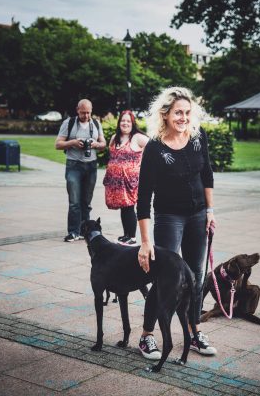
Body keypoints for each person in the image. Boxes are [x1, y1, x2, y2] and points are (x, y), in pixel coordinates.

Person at [136, 86, 217, 360]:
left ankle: (194, 332)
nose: (183, 118)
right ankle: (147, 336)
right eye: (178, 113)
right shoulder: (155, 148)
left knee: (195, 276)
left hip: (197, 216)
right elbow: (143, 198)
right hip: (169, 217)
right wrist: (146, 242)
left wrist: (210, 210)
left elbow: (207, 174)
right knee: (166, 278)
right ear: (166, 114)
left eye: (187, 112)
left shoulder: (197, 136)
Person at [55, 99, 106, 242]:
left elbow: (103, 144)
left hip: (91, 166)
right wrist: (73, 143)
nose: (86, 115)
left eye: (89, 112)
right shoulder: (69, 123)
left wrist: (96, 144)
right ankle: (73, 232)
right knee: (74, 202)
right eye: (83, 112)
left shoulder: (96, 123)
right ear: (77, 110)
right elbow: (58, 144)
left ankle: (85, 230)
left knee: (86, 202)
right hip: (74, 166)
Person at [103, 110, 149, 246]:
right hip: (116, 182)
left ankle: (132, 237)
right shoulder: (114, 138)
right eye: (123, 120)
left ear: (133, 123)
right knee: (123, 207)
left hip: (131, 181)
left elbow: (154, 148)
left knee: (129, 207)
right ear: (119, 123)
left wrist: (146, 165)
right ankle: (126, 234)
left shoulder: (138, 137)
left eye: (128, 121)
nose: (125, 123)